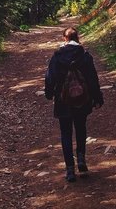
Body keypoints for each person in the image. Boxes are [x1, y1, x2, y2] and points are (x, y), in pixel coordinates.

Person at [44, 26, 103, 182]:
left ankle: (70, 170)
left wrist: (49, 93)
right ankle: (81, 158)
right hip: (82, 99)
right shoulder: (84, 56)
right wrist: (98, 97)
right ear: (78, 38)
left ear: (65, 39)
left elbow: (50, 77)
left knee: (65, 133)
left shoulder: (57, 56)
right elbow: (92, 78)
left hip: (63, 100)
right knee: (81, 127)